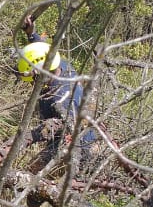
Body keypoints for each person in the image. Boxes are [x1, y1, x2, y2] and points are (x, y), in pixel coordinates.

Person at [13, 16, 97, 178]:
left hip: (81, 148)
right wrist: (32, 35)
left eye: (31, 80)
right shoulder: (61, 65)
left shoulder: (57, 99)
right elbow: (41, 54)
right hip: (84, 135)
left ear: (38, 75)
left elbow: (70, 138)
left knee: (27, 176)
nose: (30, 84)